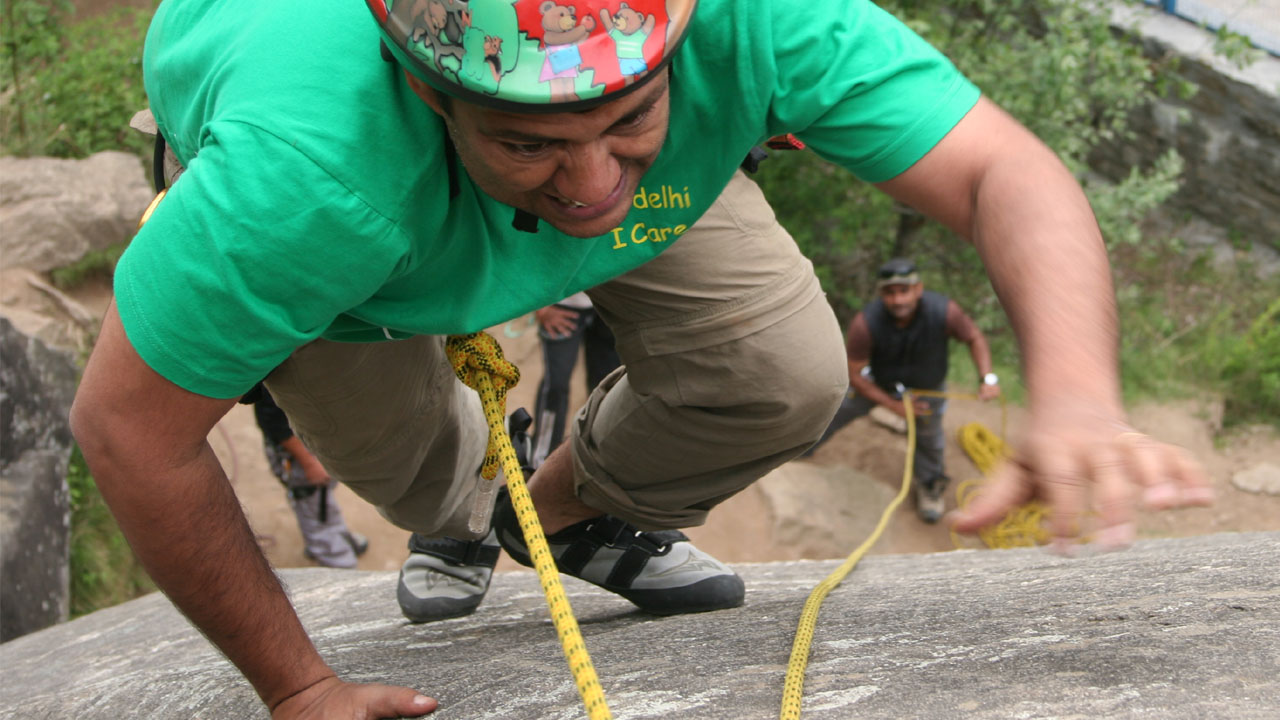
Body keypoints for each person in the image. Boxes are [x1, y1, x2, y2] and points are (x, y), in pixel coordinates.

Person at [68, 0, 1213, 717]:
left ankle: (557, 516)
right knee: (433, 487)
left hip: (443, 183)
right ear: (428, 87)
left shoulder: (752, 15)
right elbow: (130, 430)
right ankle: (474, 512)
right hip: (355, 249)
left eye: (629, 120)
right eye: (530, 140)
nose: (589, 187)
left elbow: (994, 170)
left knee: (778, 376)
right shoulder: (299, 172)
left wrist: (1069, 390)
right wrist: (299, 688)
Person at [803, 258, 1001, 523]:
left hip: (927, 390)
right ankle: (802, 446)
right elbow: (854, 373)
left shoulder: (944, 312)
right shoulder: (866, 324)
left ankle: (930, 485)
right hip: (879, 383)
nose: (897, 300)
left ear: (918, 289)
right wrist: (892, 405)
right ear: (881, 294)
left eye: (903, 291)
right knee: (836, 407)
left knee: (929, 437)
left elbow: (974, 337)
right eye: (890, 292)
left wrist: (987, 377)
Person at [249, 387, 371, 568]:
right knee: (312, 501)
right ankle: (336, 561)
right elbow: (273, 422)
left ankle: (337, 535)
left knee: (323, 496)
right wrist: (309, 463)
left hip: (317, 438)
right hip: (298, 453)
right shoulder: (275, 372)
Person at [531, 293, 622, 467]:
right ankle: (538, 462)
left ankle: (600, 460)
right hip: (562, 304)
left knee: (608, 387)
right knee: (556, 385)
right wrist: (539, 306)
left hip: (607, 304)